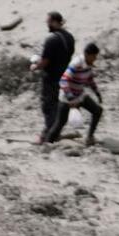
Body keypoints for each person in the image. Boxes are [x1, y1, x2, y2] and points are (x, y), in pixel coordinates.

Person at [34, 12, 78, 144]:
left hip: (51, 77)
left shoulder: (51, 39)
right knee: (59, 106)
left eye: (48, 22)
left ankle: (49, 134)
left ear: (55, 22)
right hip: (65, 77)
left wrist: (35, 66)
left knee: (48, 106)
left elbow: (45, 62)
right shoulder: (70, 37)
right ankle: (55, 132)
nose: (47, 24)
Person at [58, 42, 104, 146]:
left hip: (80, 95)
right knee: (60, 123)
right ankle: (50, 141)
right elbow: (63, 80)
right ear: (87, 55)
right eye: (94, 56)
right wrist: (70, 97)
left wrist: (97, 93)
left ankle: (89, 137)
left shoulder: (88, 64)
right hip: (67, 98)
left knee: (98, 110)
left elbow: (90, 79)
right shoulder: (76, 63)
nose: (95, 59)